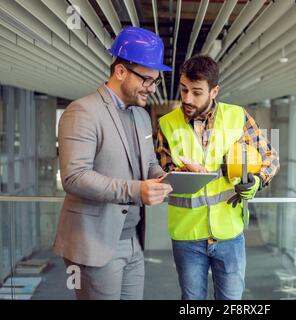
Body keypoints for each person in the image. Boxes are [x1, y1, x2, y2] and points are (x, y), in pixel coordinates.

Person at [53, 27, 173, 300]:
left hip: (133, 239)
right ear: (120, 71)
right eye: (146, 79)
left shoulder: (141, 116)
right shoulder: (82, 111)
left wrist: (172, 176)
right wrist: (135, 190)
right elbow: (74, 177)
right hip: (94, 243)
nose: (151, 89)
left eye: (155, 81)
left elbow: (150, 164)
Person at [156, 55, 280, 300]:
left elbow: (270, 157)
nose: (187, 98)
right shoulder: (166, 124)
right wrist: (179, 172)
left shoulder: (237, 117)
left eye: (196, 92)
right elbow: (161, 172)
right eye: (183, 90)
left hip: (229, 234)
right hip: (187, 235)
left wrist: (255, 181)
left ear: (214, 91)